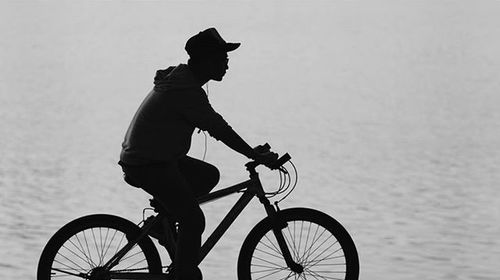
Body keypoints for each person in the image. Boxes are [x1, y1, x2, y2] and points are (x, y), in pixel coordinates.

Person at [118, 28, 277, 280]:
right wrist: (252, 154)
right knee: (193, 220)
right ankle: (184, 274)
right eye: (221, 58)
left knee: (207, 176)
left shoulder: (184, 81)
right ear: (204, 60)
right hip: (148, 163)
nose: (227, 63)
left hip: (156, 157)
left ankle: (164, 221)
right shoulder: (185, 90)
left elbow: (215, 125)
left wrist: (250, 152)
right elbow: (218, 127)